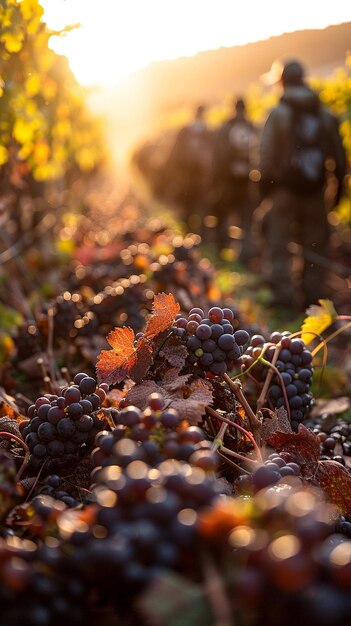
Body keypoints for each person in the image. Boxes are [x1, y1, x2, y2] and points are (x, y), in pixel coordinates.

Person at [259, 59, 347, 311]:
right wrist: (338, 187)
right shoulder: (324, 113)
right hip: (316, 191)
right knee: (316, 246)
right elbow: (339, 157)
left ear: (282, 81)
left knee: (279, 243)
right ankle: (312, 297)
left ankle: (283, 297)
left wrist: (266, 191)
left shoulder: (278, 113)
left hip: (284, 191)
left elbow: (265, 156)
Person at [210, 96, 260, 263]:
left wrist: (215, 181)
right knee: (246, 218)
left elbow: (217, 157)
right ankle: (244, 253)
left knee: (223, 216)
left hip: (227, 182)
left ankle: (222, 250)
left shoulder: (225, 128)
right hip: (247, 182)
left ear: (233, 108)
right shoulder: (252, 127)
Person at [165, 104, 213, 233]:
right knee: (201, 207)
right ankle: (200, 235)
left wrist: (173, 174)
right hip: (202, 178)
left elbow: (174, 155)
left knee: (187, 205)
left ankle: (187, 232)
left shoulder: (185, 131)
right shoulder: (208, 132)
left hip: (186, 177)